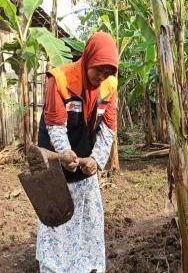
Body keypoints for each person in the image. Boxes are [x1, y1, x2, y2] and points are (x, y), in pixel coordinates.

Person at [36, 32, 119, 272]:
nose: (101, 77)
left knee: (88, 220)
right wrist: (65, 154)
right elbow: (54, 125)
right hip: (54, 161)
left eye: (108, 72)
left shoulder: (109, 86)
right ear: (88, 59)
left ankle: (86, 266)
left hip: (85, 160)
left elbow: (108, 129)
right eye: (98, 70)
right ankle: (54, 268)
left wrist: (96, 160)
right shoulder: (60, 80)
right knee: (56, 220)